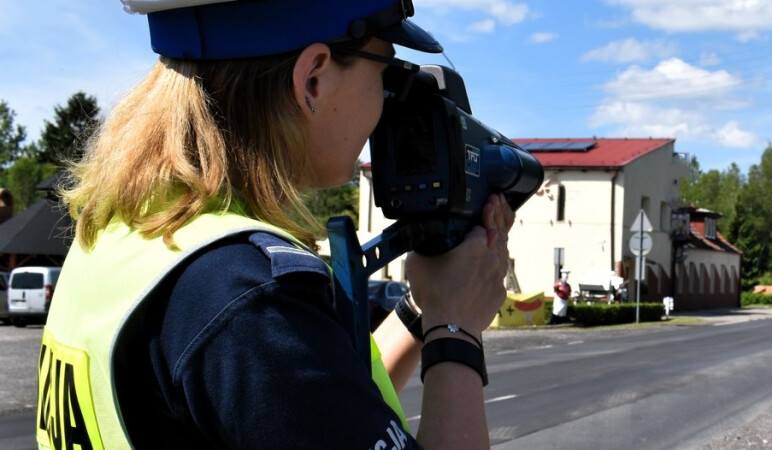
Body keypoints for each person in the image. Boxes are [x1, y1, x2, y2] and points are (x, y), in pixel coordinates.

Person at [37, 1, 514, 449]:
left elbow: (316, 405)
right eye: (384, 73)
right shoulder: (246, 299)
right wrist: (456, 330)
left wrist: (425, 306)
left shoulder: (118, 235)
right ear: (314, 79)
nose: (385, 104)